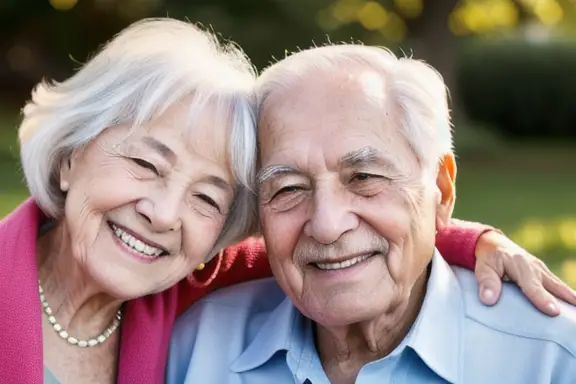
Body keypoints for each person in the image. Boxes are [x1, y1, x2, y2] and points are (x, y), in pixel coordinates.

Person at [0, 17, 571, 384]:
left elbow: (330, 248)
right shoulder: (200, 333)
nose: (165, 213)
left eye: (207, 197)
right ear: (70, 156)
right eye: (145, 164)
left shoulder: (553, 358)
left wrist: (470, 239)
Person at [167, 44, 576, 384]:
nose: (327, 226)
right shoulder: (196, 349)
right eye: (289, 188)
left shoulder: (552, 359)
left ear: (441, 190)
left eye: (363, 177)